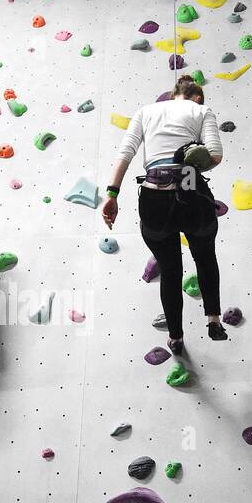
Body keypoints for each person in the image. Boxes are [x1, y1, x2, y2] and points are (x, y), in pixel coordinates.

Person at [102, 76, 226, 354]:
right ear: (196, 98)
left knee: (170, 270)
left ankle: (176, 338)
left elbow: (126, 152)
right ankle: (213, 320)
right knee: (205, 256)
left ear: (174, 94)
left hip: (153, 195)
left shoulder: (145, 111)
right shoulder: (202, 111)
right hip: (191, 189)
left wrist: (112, 194)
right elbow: (215, 156)